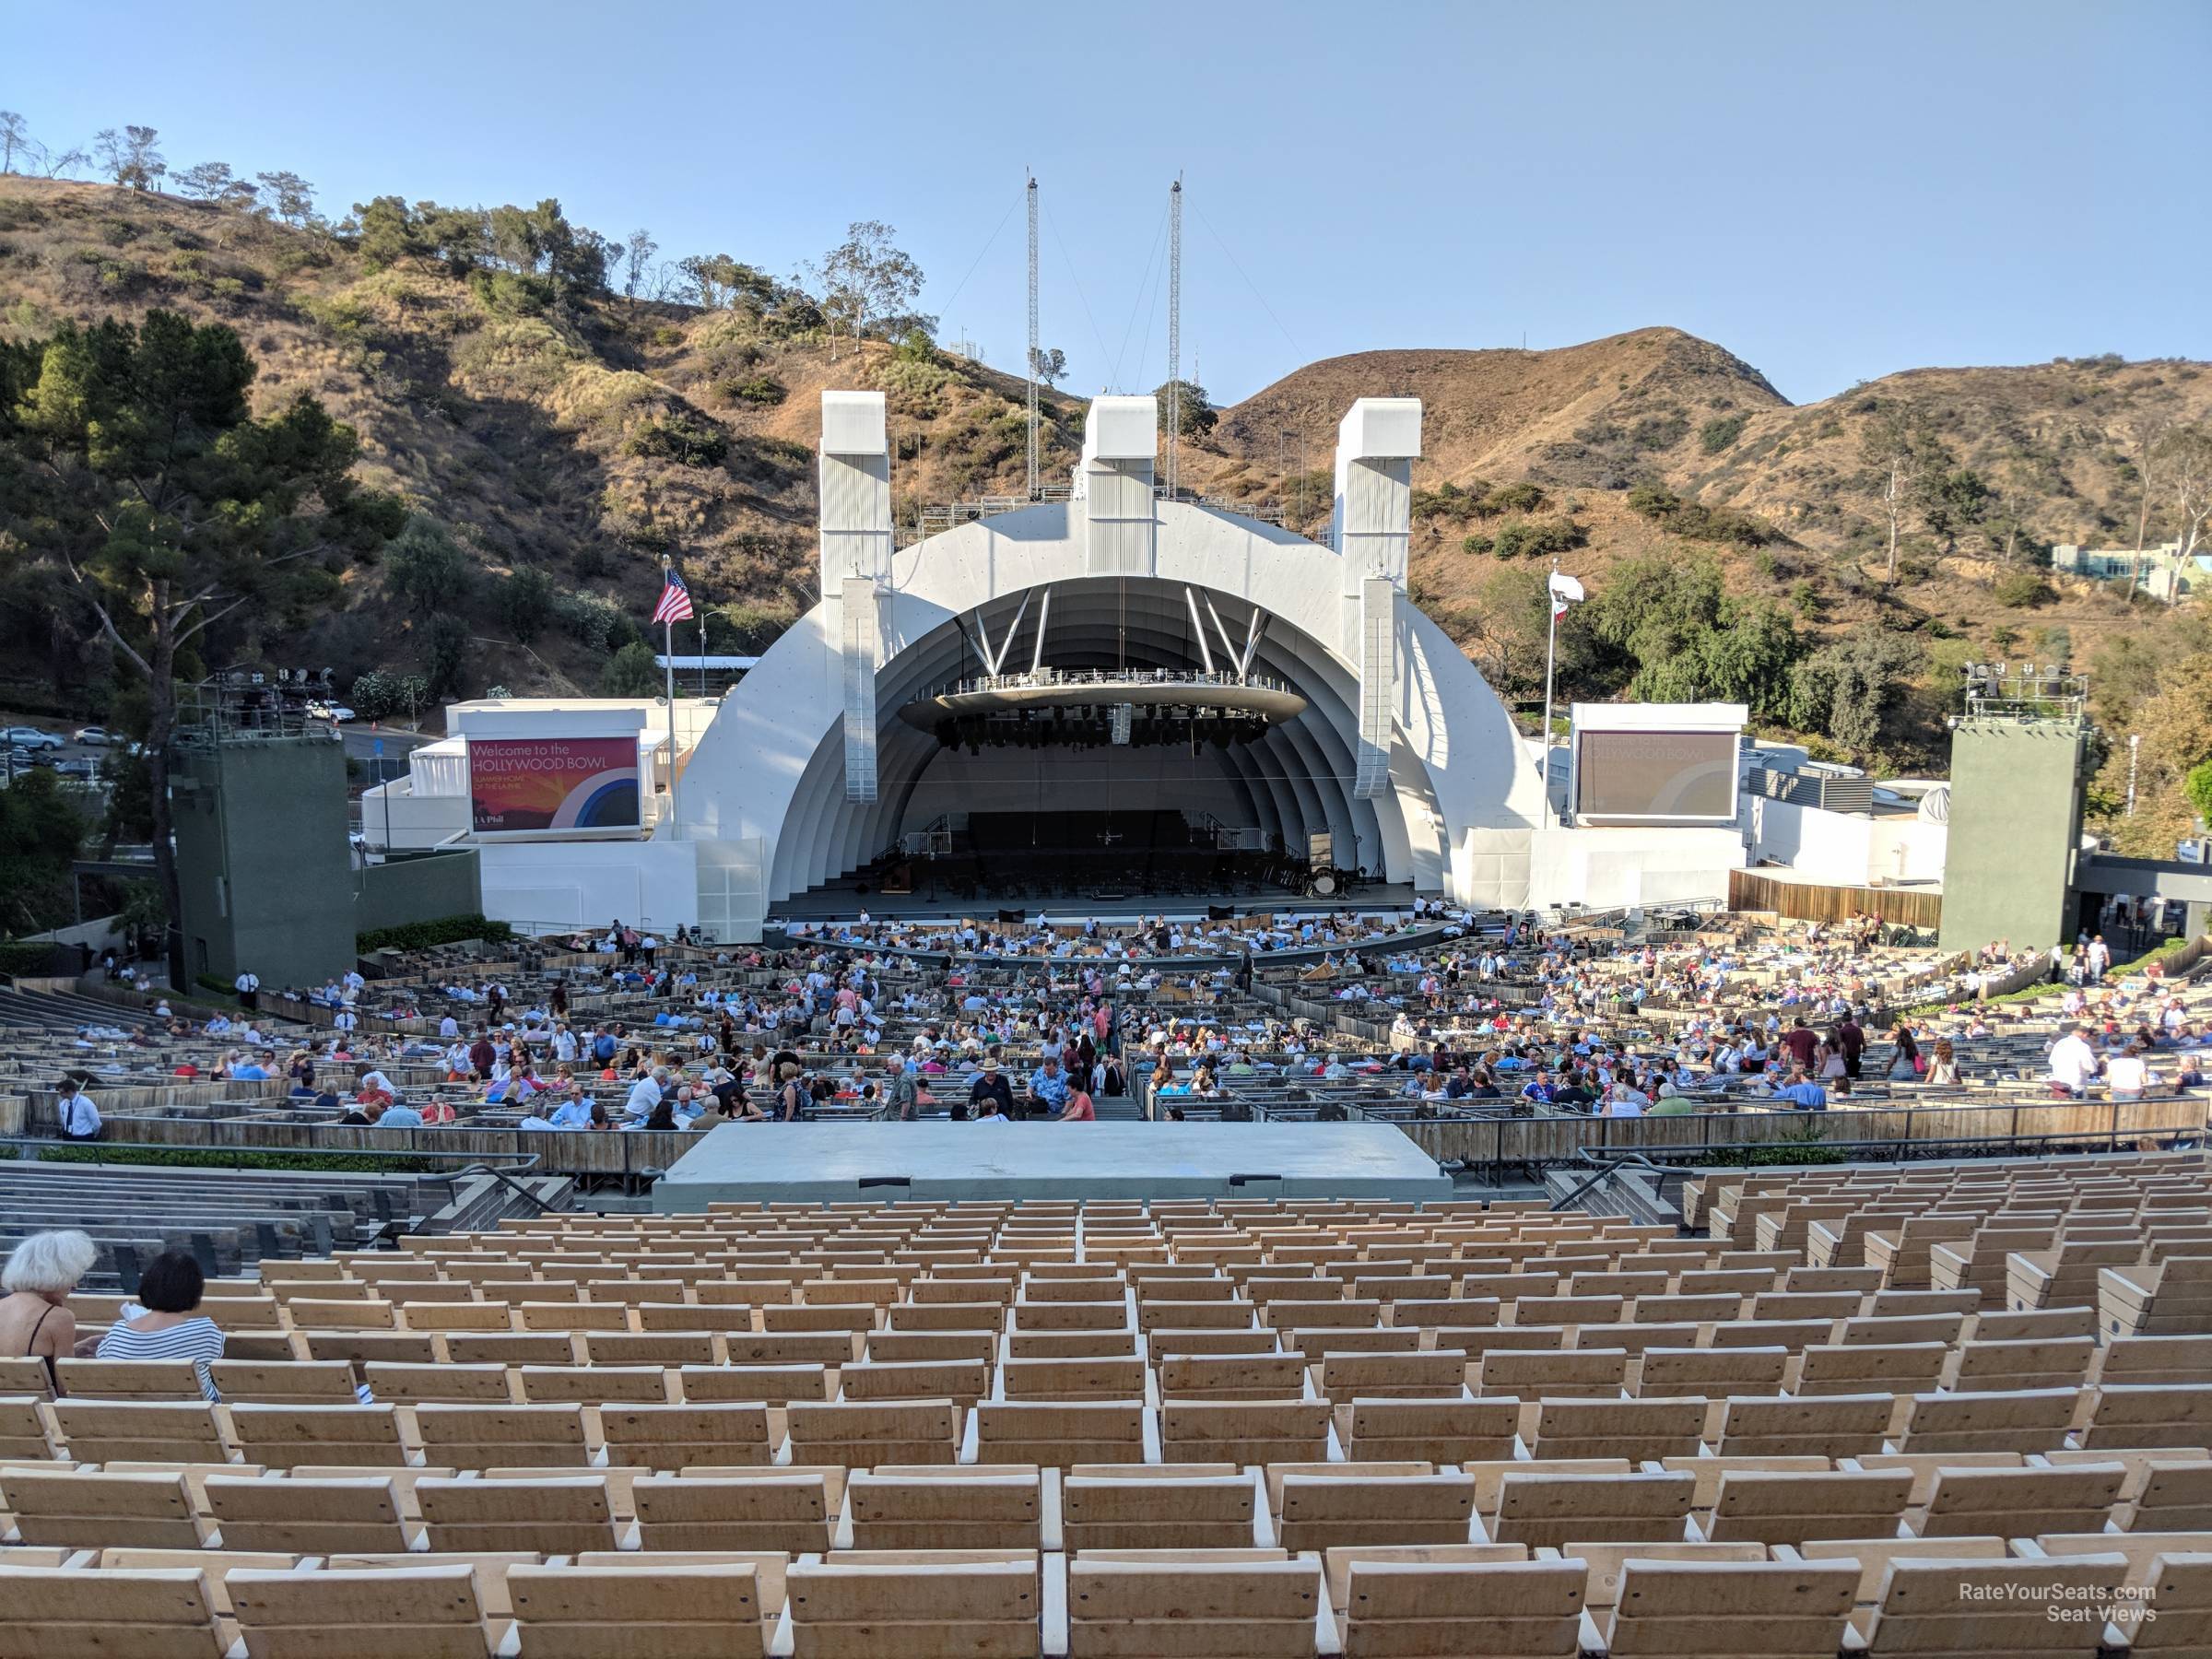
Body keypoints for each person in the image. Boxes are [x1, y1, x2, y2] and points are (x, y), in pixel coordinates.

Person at [96, 1251, 225, 1399]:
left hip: (128, 1418)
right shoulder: (205, 1331)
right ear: (194, 1291)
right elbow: (216, 1359)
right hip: (195, 1418)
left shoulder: (117, 1333)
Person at [1, 1230, 96, 1393]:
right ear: (56, 1275)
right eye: (72, 1277)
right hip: (37, 1415)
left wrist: (75, 1349)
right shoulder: (58, 1318)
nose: (74, 1286)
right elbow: (65, 1387)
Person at [2047, 1022, 2101, 1099]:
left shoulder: (2060, 1043)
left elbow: (2051, 1061)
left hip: (2059, 1083)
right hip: (2076, 1085)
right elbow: (2091, 1067)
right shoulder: (2083, 1046)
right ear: (2085, 1034)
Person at [54, 1077, 100, 1142]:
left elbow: (96, 1123)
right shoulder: (63, 1104)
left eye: (62, 1093)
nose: (60, 1095)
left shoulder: (86, 1103)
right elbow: (63, 1120)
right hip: (67, 1136)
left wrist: (92, 1134)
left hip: (84, 1137)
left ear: (70, 1091)